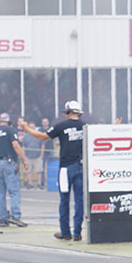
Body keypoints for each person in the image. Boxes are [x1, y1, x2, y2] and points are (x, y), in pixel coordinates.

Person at [21, 101, 86, 241]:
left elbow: (42, 136)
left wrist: (26, 129)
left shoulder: (61, 126)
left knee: (64, 201)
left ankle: (66, 232)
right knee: (80, 201)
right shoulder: (85, 127)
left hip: (65, 169)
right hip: (81, 167)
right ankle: (78, 232)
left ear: (68, 112)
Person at [0, 113, 29, 227]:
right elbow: (15, 145)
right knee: (14, 192)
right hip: (8, 163)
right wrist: (24, 159)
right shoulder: (11, 130)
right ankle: (15, 217)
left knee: (0, 193)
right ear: (8, 122)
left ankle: (3, 219)